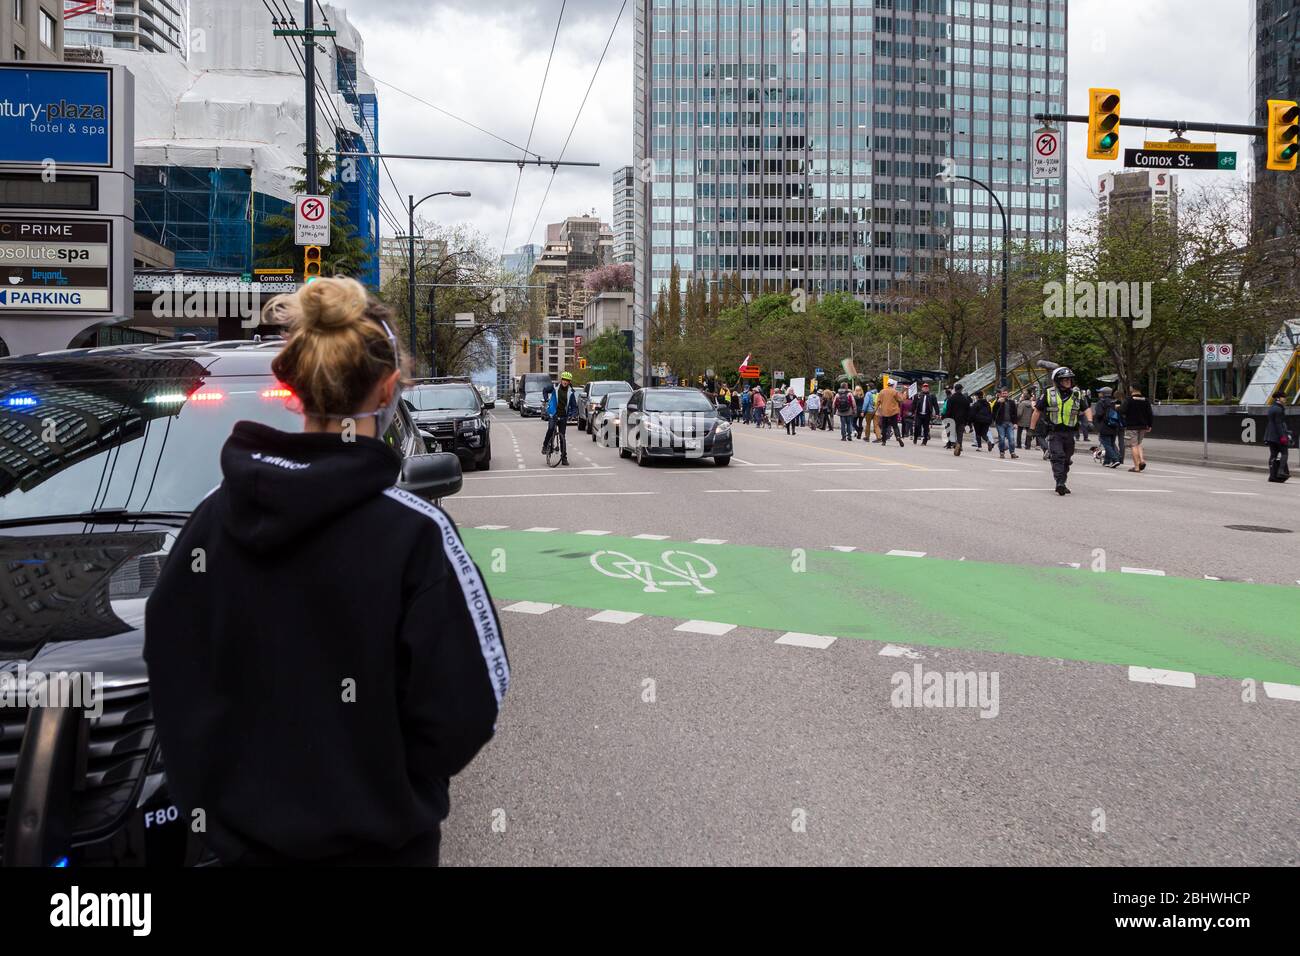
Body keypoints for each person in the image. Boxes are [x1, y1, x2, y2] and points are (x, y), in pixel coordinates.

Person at [144, 277, 508, 866]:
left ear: (291, 390)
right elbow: (472, 700)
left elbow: (170, 663)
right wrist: (392, 788)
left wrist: (217, 799)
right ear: (390, 387)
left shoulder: (213, 520)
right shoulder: (416, 534)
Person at [1031, 366, 1095, 495]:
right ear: (1057, 381)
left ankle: (1062, 482)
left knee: (1066, 459)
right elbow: (1037, 410)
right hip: (1055, 432)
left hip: (1070, 433)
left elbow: (1086, 408)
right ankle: (1059, 482)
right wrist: (1031, 429)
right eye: (1064, 379)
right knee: (1058, 457)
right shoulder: (1049, 393)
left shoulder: (1077, 394)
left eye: (1069, 379)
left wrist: (1090, 421)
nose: (1067, 381)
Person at [544, 371, 579, 465]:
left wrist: (573, 415)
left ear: (569, 382)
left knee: (562, 436)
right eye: (564, 379)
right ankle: (545, 445)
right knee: (551, 428)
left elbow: (574, 406)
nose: (565, 382)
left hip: (563, 416)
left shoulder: (570, 393)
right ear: (561, 380)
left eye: (567, 380)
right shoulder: (554, 388)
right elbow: (545, 390)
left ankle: (564, 458)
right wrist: (546, 399)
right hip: (553, 414)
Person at [1121, 385, 1153, 473]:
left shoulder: (1129, 399)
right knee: (1139, 443)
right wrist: (1150, 425)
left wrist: (1117, 408)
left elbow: (1122, 410)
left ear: (1132, 388)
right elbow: (1150, 413)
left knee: (1133, 445)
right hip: (1143, 426)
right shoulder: (1146, 400)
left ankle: (1136, 467)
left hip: (1132, 426)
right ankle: (1141, 460)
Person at [1092, 386, 1123, 468]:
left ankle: (1115, 459)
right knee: (1111, 443)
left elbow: (1099, 414)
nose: (1099, 394)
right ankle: (1107, 461)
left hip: (1104, 426)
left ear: (1103, 394)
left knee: (1106, 444)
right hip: (1114, 425)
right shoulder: (1114, 402)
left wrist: (1096, 422)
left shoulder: (1101, 402)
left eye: (1100, 392)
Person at [1264, 392, 1292, 483]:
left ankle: (1272, 475)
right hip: (1278, 436)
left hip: (1270, 436)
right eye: (1283, 397)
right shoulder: (1279, 409)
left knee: (1273, 455)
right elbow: (1279, 424)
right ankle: (1280, 471)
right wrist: (1283, 436)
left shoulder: (1272, 408)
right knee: (1285, 453)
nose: (1285, 399)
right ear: (1278, 398)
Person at [991, 387, 1019, 459]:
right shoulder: (998, 401)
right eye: (1003, 393)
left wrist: (1015, 423)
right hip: (1000, 423)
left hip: (1010, 423)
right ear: (1001, 394)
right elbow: (993, 411)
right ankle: (1002, 452)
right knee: (1002, 438)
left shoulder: (1012, 402)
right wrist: (998, 402)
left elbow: (1015, 413)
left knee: (1011, 438)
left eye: (1005, 393)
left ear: (1008, 394)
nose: (1004, 395)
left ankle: (1012, 452)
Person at [945, 383, 972, 456]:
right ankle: (959, 445)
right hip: (962, 420)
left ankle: (955, 444)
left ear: (955, 389)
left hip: (952, 419)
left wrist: (947, 418)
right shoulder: (965, 399)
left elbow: (948, 409)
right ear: (961, 389)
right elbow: (968, 410)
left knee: (950, 433)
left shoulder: (951, 398)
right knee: (960, 434)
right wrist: (967, 421)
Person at [877, 379, 905, 447]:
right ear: (893, 385)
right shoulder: (895, 392)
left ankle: (884, 441)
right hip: (893, 412)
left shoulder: (882, 391)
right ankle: (898, 436)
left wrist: (877, 410)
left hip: (884, 411)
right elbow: (901, 399)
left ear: (887, 384)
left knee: (884, 427)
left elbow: (878, 401)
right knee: (895, 426)